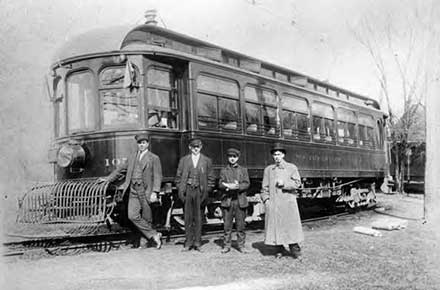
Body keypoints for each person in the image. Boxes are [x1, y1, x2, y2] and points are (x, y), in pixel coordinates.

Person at [98, 133, 163, 249]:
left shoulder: (154, 158)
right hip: (133, 190)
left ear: (147, 144)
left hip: (145, 190)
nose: (141, 145)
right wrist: (107, 179)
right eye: (139, 143)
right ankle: (154, 234)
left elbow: (158, 176)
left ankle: (145, 243)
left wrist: (155, 192)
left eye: (143, 143)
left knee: (147, 218)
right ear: (137, 144)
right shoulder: (132, 157)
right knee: (132, 216)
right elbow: (120, 170)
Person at [261, 143, 304, 258]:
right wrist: (266, 201)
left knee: (291, 228)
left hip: (288, 203)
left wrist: (284, 184)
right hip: (274, 204)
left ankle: (295, 251)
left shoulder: (291, 168)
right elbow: (264, 188)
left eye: (279, 154)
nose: (277, 157)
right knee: (276, 227)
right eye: (275, 155)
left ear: (283, 155)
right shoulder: (268, 170)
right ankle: (279, 250)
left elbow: (297, 183)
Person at [175, 138, 215, 252]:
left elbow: (211, 178)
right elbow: (178, 176)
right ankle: (188, 243)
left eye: (198, 147)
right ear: (190, 147)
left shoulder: (207, 161)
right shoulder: (184, 160)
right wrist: (180, 188)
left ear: (201, 147)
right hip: (187, 190)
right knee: (187, 218)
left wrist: (207, 190)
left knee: (198, 217)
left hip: (200, 191)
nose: (196, 149)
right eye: (193, 147)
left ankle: (197, 243)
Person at [218, 148, 250, 254]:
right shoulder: (224, 170)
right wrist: (227, 187)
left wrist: (238, 187)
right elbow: (220, 183)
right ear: (228, 158)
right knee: (227, 226)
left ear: (238, 158)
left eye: (234, 157)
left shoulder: (243, 170)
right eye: (230, 157)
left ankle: (241, 246)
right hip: (228, 201)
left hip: (239, 201)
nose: (232, 159)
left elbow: (246, 183)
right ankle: (226, 246)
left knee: (240, 226)